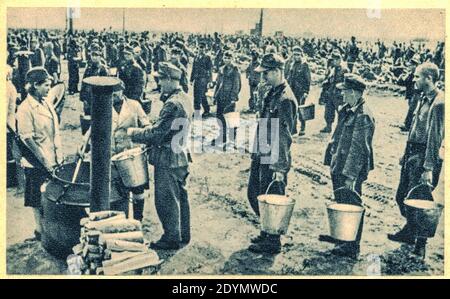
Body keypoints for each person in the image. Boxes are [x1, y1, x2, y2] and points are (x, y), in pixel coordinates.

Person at [128, 62, 193, 250]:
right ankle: (183, 233)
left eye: (162, 80)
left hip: (168, 157)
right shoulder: (184, 98)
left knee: (166, 200)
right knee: (181, 197)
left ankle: (171, 237)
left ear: (172, 80)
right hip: (180, 155)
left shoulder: (173, 103)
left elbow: (157, 133)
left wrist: (134, 133)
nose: (159, 83)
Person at [388, 62, 444, 258]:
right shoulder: (422, 97)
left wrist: (428, 167)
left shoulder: (439, 103)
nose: (414, 80)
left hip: (424, 156)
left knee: (420, 200)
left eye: (418, 76)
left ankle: (420, 243)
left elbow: (434, 139)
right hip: (412, 152)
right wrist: (406, 153)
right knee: (402, 196)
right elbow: (414, 128)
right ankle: (411, 230)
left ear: (429, 78)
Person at [247, 53, 298, 254]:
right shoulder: (274, 93)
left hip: (273, 157)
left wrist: (279, 168)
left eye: (266, 73)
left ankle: (272, 240)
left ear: (277, 72)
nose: (262, 77)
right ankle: (266, 230)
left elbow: (284, 136)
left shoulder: (285, 99)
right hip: (262, 152)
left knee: (272, 198)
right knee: (255, 194)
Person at [322, 73, 375, 258]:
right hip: (340, 164)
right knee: (342, 202)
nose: (341, 94)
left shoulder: (363, 115)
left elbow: (359, 149)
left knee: (352, 204)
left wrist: (351, 176)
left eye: (344, 91)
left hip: (350, 169)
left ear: (354, 92)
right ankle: (342, 238)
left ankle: (352, 246)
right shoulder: (347, 109)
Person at [16, 67, 63, 241]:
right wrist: (44, 159)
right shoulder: (25, 109)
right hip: (36, 160)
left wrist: (57, 154)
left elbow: (54, 131)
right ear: (35, 85)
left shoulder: (45, 102)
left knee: (51, 194)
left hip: (52, 156)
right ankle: (39, 231)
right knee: (36, 197)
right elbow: (28, 140)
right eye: (46, 85)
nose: (49, 88)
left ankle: (50, 228)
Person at [110, 81, 150, 222]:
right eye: (111, 91)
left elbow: (146, 125)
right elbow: (93, 129)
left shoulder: (134, 105)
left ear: (123, 90)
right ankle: (123, 220)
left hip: (131, 153)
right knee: (119, 189)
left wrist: (142, 141)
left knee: (137, 187)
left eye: (117, 91)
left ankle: (138, 218)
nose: (114, 94)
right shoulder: (105, 105)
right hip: (113, 153)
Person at [212, 51, 241, 148]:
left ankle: (233, 141)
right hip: (221, 96)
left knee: (231, 119)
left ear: (232, 59)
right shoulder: (221, 69)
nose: (226, 60)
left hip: (230, 98)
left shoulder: (235, 70)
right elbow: (218, 83)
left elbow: (237, 85)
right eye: (225, 57)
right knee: (219, 117)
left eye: (229, 58)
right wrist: (215, 96)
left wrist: (233, 97)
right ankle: (222, 137)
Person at [320, 50, 349, 133]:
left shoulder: (345, 70)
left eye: (335, 60)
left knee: (341, 113)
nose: (333, 61)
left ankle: (342, 129)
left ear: (339, 60)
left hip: (339, 95)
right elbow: (329, 80)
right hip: (331, 94)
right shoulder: (332, 69)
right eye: (332, 60)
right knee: (328, 111)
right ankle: (328, 127)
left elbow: (347, 83)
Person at [287, 46, 311, 136]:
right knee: (292, 109)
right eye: (294, 55)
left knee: (301, 110)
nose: (296, 56)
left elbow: (308, 80)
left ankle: (303, 127)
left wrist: (306, 91)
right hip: (292, 90)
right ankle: (293, 129)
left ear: (301, 55)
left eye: (298, 55)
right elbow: (289, 78)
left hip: (300, 91)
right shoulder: (292, 64)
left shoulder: (304, 65)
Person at [80, 49, 109, 117]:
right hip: (88, 96)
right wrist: (83, 97)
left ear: (100, 57)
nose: (94, 57)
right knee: (88, 115)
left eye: (96, 55)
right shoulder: (89, 68)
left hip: (98, 97)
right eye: (92, 55)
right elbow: (84, 83)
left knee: (98, 117)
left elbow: (106, 85)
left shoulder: (103, 69)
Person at [396, 55, 420, 132]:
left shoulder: (418, 75)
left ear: (415, 66)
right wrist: (402, 76)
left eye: (411, 65)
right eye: (409, 65)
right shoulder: (410, 74)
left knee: (412, 110)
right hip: (410, 95)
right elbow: (401, 83)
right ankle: (411, 126)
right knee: (413, 111)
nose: (409, 67)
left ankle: (407, 125)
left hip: (416, 95)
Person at [190, 41, 213, 117]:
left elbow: (210, 70)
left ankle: (206, 111)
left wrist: (210, 81)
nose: (201, 49)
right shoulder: (196, 57)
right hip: (196, 80)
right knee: (196, 96)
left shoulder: (207, 58)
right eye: (200, 47)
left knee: (203, 96)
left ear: (205, 49)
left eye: (203, 48)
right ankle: (197, 111)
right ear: (198, 48)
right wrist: (191, 79)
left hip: (203, 80)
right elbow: (193, 69)